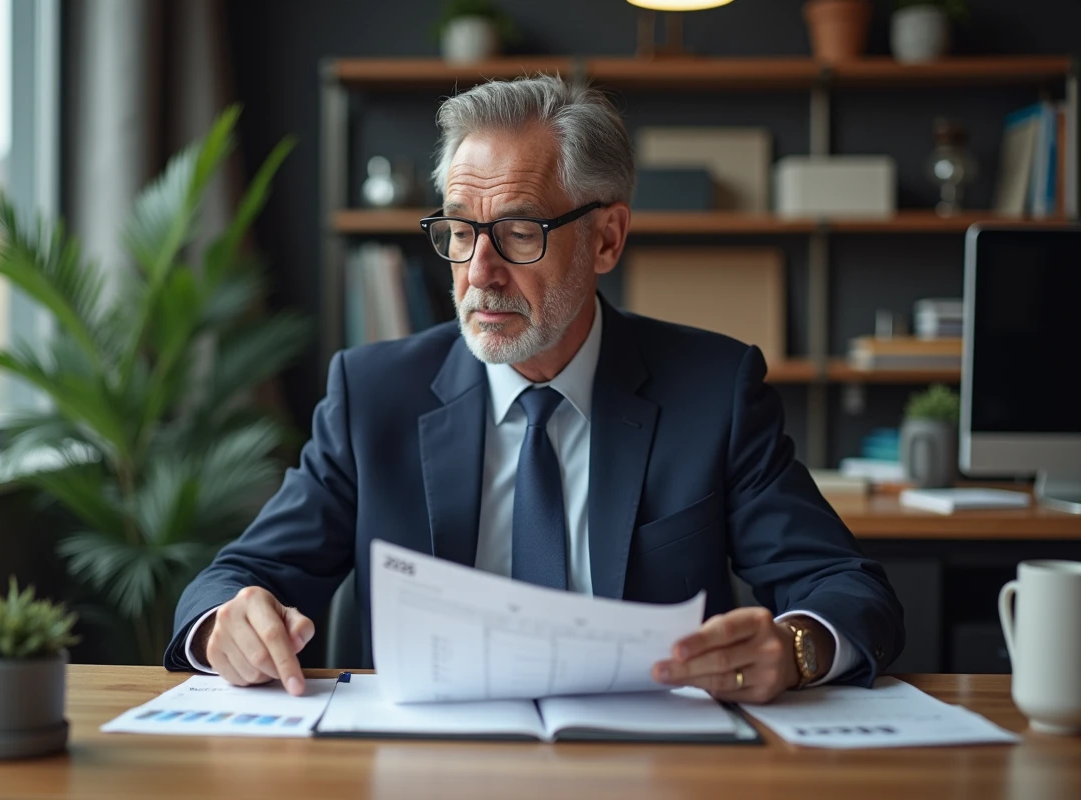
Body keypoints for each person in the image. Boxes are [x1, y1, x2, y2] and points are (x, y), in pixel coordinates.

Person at [164, 74, 904, 704]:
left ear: (607, 239)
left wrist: (796, 646)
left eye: (519, 232)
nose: (479, 270)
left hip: (651, 766)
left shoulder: (712, 390)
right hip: (420, 767)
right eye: (459, 230)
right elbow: (236, 577)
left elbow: (847, 589)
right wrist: (227, 623)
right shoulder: (373, 395)